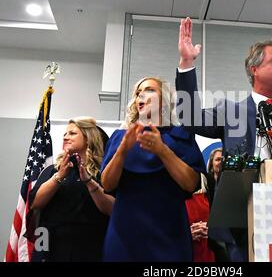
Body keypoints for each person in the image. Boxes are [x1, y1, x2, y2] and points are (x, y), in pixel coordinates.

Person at [176, 17, 272, 261]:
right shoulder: (231, 111)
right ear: (254, 69)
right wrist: (187, 62)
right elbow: (189, 116)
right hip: (243, 221)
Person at [101, 76, 206, 261]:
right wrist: (123, 150)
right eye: (138, 93)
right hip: (124, 234)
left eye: (149, 90)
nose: (141, 95)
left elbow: (191, 184)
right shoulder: (120, 137)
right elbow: (107, 184)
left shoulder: (181, 136)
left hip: (170, 234)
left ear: (164, 100)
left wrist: (162, 151)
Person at [28, 117, 114, 262]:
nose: (66, 137)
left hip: (90, 248)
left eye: (72, 133)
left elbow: (113, 208)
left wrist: (88, 181)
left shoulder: (105, 172)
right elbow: (35, 203)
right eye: (65, 134)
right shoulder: (52, 170)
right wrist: (59, 176)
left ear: (88, 138)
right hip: (51, 247)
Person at [185, 173, 216, 262]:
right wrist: (185, 234)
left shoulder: (207, 179)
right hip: (182, 249)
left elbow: (218, 216)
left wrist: (211, 229)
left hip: (207, 249)